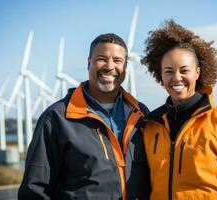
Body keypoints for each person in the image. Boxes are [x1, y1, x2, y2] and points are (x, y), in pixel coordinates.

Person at [140, 20, 217, 200]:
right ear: (160, 74)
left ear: (197, 73)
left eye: (184, 70)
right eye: (168, 71)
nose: (177, 78)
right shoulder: (150, 126)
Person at [18, 33, 150, 200]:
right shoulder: (56, 118)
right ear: (89, 63)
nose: (110, 66)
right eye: (102, 59)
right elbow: (34, 189)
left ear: (125, 66)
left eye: (118, 60)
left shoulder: (141, 114)